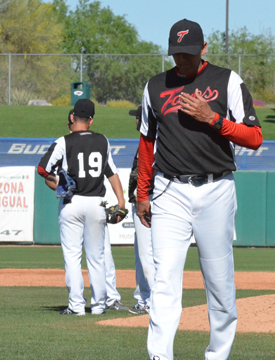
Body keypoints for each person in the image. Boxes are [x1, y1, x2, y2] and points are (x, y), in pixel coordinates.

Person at [136, 19, 263, 360]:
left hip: (215, 189)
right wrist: (142, 193)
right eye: (177, 54)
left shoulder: (226, 81)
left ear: (203, 49)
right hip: (169, 190)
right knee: (163, 281)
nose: (183, 60)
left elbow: (255, 138)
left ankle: (217, 355)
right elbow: (147, 143)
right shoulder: (154, 87)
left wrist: (213, 119)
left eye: (189, 53)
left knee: (219, 283)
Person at [38, 99, 126, 315]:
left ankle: (76, 306)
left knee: (72, 257)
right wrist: (121, 201)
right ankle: (98, 306)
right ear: (91, 120)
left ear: (72, 118)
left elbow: (42, 169)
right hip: (97, 203)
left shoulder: (63, 142)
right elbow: (111, 172)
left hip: (72, 202)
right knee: (97, 258)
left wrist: (60, 181)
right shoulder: (102, 140)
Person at [127, 105, 155, 315]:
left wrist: (141, 198)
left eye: (137, 118)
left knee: (147, 254)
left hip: (150, 200)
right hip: (143, 200)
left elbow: (146, 174)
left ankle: (155, 301)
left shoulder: (152, 142)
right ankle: (143, 299)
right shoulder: (145, 142)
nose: (135, 121)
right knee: (140, 254)